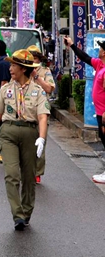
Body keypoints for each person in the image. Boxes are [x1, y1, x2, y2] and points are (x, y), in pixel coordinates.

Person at [0, 49, 50, 231]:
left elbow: (43, 117)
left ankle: (26, 212)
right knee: (11, 174)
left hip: (30, 132)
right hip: (8, 132)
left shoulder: (37, 91)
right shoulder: (6, 90)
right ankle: (17, 215)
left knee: (29, 177)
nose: (10, 68)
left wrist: (41, 139)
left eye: (14, 65)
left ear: (24, 68)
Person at [64, 36, 105, 183]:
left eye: (101, 48)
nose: (99, 49)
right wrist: (73, 46)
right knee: (103, 137)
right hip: (100, 111)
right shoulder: (100, 64)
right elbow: (86, 58)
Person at [26, 45, 54, 183]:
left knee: (40, 142)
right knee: (25, 143)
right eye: (31, 58)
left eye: (35, 58)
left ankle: (37, 172)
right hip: (25, 110)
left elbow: (49, 88)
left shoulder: (45, 71)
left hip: (41, 110)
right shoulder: (23, 70)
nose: (33, 60)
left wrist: (36, 76)